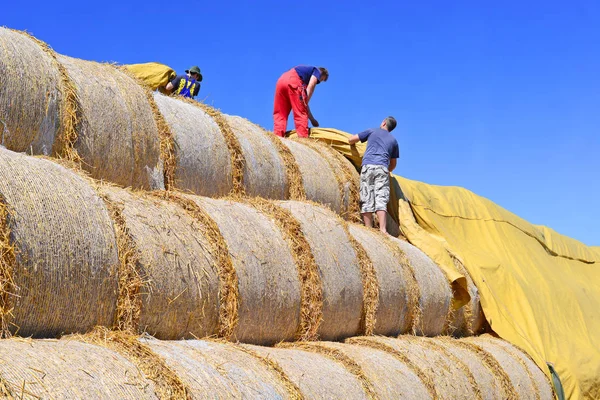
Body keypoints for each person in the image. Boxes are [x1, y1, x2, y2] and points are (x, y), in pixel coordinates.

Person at [348, 117, 399, 234]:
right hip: (382, 168)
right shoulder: (394, 141)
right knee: (381, 198)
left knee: (366, 197)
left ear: (384, 123)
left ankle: (368, 229)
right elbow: (393, 164)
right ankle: (383, 229)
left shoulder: (372, 131)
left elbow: (351, 140)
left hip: (368, 166)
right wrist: (386, 170)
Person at [273, 65, 329, 138]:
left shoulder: (302, 75)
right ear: (322, 74)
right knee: (300, 113)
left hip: (281, 81)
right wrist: (304, 102)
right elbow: (312, 84)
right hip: (293, 81)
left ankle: (278, 137)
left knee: (280, 114)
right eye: (321, 80)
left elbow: (304, 102)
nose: (319, 81)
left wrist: (312, 119)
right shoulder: (317, 71)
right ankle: (303, 139)